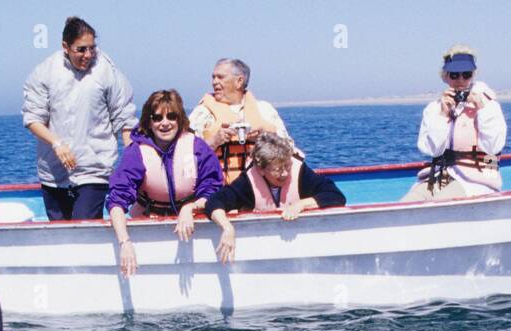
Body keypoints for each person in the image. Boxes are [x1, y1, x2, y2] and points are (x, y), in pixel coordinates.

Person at [22, 16, 137, 220]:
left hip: (94, 170)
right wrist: (56, 143)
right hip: (54, 174)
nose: (88, 55)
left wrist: (133, 159)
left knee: (84, 230)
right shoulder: (45, 71)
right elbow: (33, 119)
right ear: (65, 46)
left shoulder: (107, 72)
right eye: (81, 49)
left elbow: (125, 118)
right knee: (61, 238)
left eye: (92, 48)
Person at [106, 90, 224, 276]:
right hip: (148, 219)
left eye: (171, 116)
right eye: (157, 117)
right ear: (148, 122)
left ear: (180, 119)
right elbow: (116, 201)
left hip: (193, 220)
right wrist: (125, 242)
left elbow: (213, 189)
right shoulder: (136, 152)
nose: (165, 123)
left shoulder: (197, 147)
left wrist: (190, 208)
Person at [205, 132, 345, 264]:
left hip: (302, 243)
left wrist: (300, 205)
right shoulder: (247, 182)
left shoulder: (300, 172)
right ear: (261, 169)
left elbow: (335, 195)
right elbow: (214, 202)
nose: (284, 173)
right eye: (277, 169)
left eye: (287, 166)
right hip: (263, 247)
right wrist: (227, 228)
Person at [404, 45, 506, 201]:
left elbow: (493, 147)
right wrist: (442, 115)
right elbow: (432, 150)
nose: (460, 81)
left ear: (473, 75)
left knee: (441, 202)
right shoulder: (434, 108)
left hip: (479, 177)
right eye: (454, 75)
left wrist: (482, 109)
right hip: (442, 174)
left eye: (466, 75)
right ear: (445, 76)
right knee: (409, 202)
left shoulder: (490, 106)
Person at [188, 59, 293, 184]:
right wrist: (213, 142)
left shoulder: (265, 110)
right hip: (218, 192)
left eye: (220, 77)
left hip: (259, 190)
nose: (214, 82)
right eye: (213, 77)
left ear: (239, 81)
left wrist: (266, 139)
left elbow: (290, 149)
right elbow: (185, 157)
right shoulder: (202, 113)